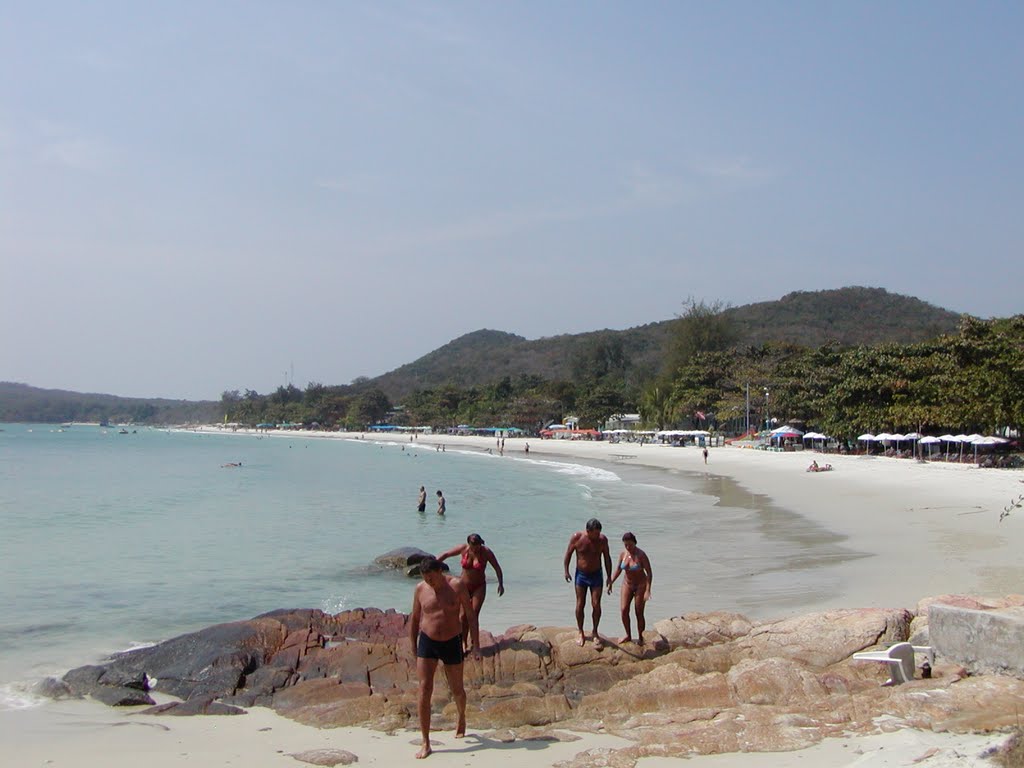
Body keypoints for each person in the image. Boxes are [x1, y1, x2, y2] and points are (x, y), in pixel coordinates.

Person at [409, 557, 479, 759]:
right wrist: (413, 645)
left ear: (440, 571)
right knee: (424, 689)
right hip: (428, 642)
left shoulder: (456, 586)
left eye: (432, 577)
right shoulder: (420, 589)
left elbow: (470, 615)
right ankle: (426, 741)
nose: (429, 582)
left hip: (452, 641)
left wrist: (475, 644)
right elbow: (414, 619)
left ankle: (462, 717)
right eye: (426, 578)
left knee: (457, 689)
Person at [436, 534, 505, 651]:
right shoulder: (463, 549)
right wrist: (432, 567)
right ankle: (463, 642)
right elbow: (446, 554)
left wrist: (500, 584)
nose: (475, 549)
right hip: (463, 587)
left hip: (479, 586)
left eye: (478, 546)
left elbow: (497, 567)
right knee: (463, 616)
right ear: (469, 544)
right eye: (473, 547)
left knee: (473, 613)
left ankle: (475, 642)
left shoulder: (486, 552)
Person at [563, 518, 613, 648]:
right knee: (580, 603)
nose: (597, 536)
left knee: (596, 604)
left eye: (599, 532)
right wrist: (566, 571)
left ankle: (595, 631)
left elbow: (607, 558)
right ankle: (580, 631)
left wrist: (609, 577)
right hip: (581, 575)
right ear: (588, 531)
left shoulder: (602, 540)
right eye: (595, 533)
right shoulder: (577, 538)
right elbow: (568, 554)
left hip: (596, 575)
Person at [607, 532, 653, 645]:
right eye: (626, 545)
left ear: (635, 543)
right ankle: (628, 635)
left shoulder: (641, 555)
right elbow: (618, 569)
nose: (628, 547)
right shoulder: (623, 554)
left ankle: (641, 638)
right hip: (627, 584)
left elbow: (649, 573)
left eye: (630, 545)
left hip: (640, 585)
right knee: (623, 610)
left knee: (638, 611)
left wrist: (648, 590)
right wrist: (611, 581)